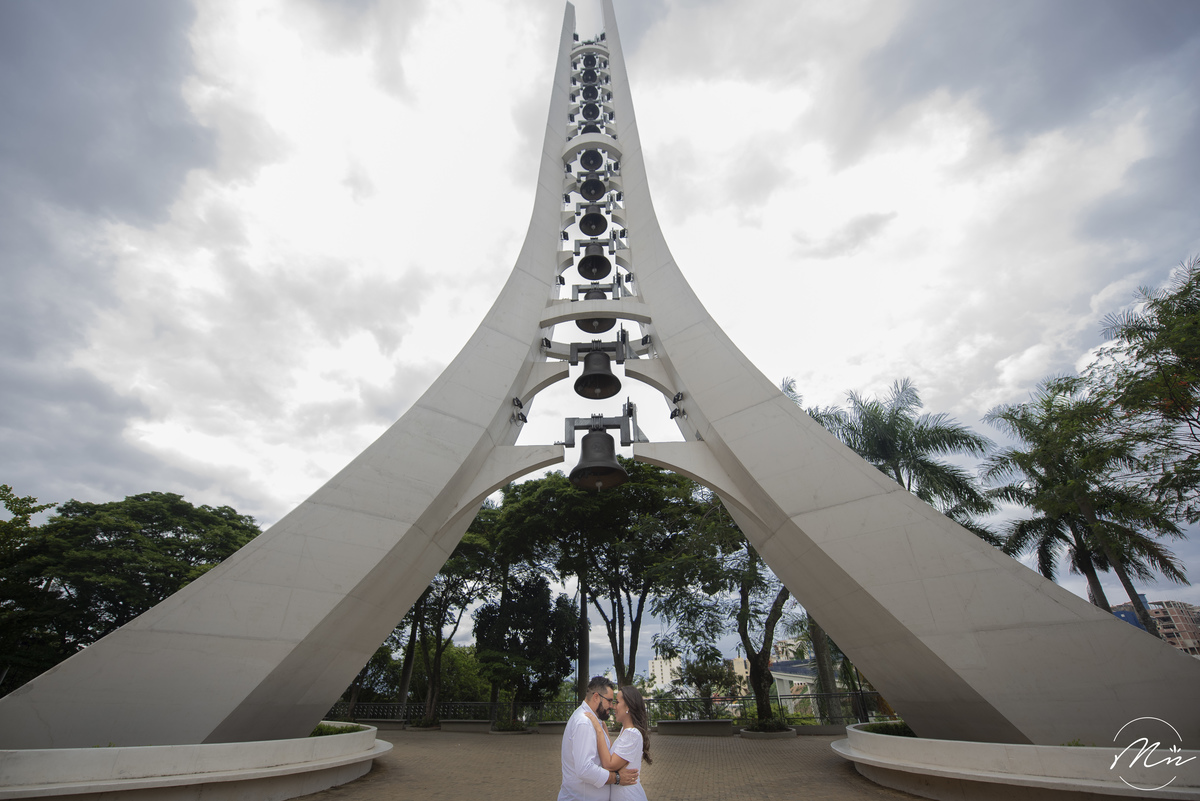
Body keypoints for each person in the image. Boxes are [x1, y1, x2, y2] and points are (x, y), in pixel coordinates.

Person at [558, 677, 639, 800]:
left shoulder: (594, 721)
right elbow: (585, 769)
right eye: (610, 701)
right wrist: (616, 778)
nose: (612, 706)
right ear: (596, 697)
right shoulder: (584, 723)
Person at [583, 685, 651, 800]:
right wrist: (604, 728)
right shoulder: (625, 731)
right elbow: (613, 753)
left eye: (617, 702)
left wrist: (598, 730)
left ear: (628, 707)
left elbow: (609, 765)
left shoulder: (632, 734)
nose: (613, 707)